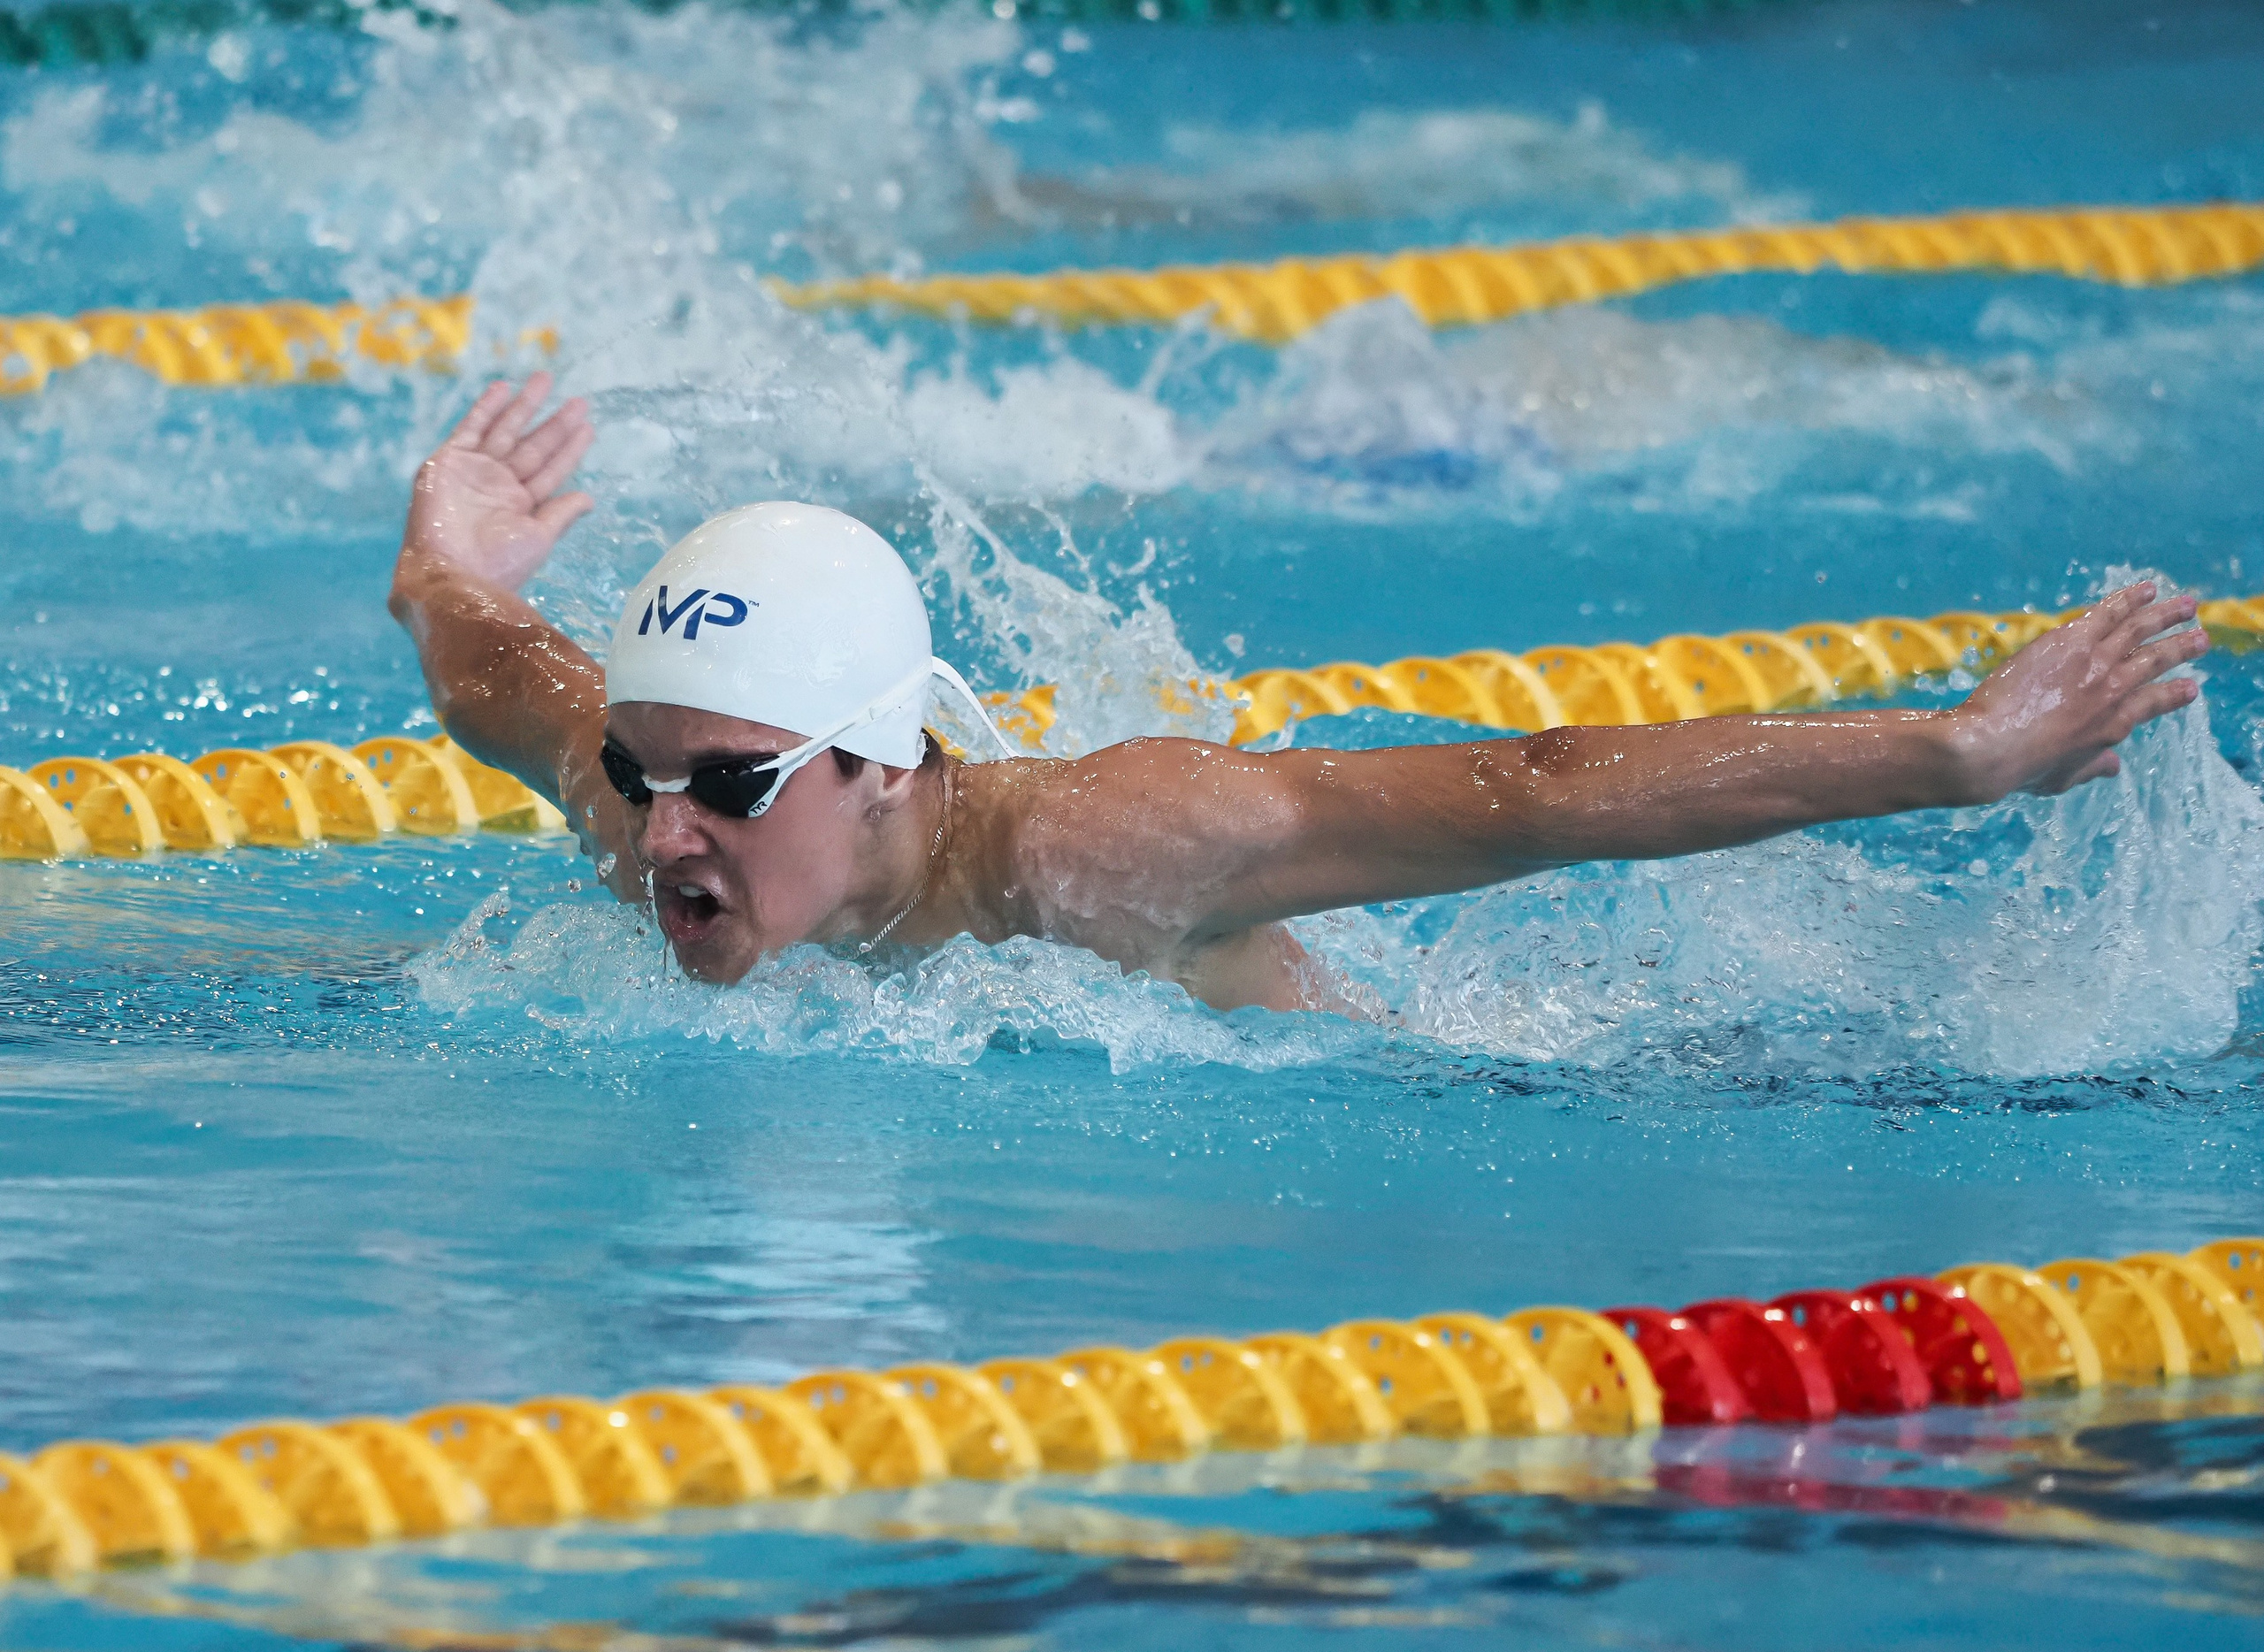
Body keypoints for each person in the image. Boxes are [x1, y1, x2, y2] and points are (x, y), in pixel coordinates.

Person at [390, 376, 2210, 1013]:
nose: (663, 835)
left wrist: (1960, 753)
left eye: (728, 785)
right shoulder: (642, 801)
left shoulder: (1098, 854)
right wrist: (445, 561)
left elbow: (1538, 789)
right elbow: (500, 671)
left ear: (880, 762)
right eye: (639, 775)